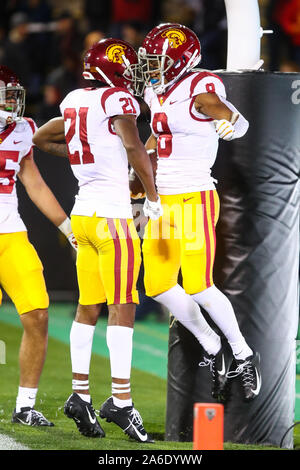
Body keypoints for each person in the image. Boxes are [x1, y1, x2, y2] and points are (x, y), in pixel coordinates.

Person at [32, 38, 162, 442]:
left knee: (88, 307)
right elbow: (133, 145)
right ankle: (121, 402)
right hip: (112, 219)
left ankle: (80, 395)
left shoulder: (73, 98)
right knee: (122, 307)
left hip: (84, 215)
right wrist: (153, 196)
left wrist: (85, 155)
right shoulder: (118, 99)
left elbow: (40, 138)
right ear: (115, 69)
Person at [137, 23, 262, 402]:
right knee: (157, 284)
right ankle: (212, 345)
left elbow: (222, 111)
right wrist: (139, 168)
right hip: (162, 201)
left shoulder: (200, 85)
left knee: (198, 284)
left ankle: (242, 353)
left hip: (193, 196)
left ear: (181, 60)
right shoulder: (155, 90)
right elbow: (159, 136)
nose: (151, 68)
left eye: (158, 61)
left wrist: (233, 122)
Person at [0, 65, 77, 426]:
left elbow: (35, 184)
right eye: (7, 96)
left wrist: (68, 227)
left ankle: (25, 406)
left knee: (38, 314)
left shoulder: (23, 130)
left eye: (16, 96)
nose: (13, 104)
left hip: (11, 234)